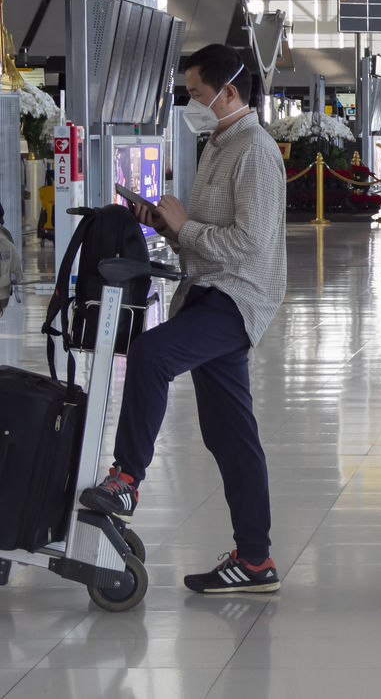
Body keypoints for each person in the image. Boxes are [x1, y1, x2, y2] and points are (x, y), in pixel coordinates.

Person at [78, 44, 287, 594]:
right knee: (230, 435)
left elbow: (250, 247)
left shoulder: (256, 151)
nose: (191, 102)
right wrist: (169, 225)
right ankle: (256, 561)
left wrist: (184, 227)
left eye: (196, 93)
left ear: (229, 91)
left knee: (152, 353)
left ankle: (126, 480)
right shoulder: (219, 142)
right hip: (207, 290)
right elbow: (210, 234)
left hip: (237, 297)